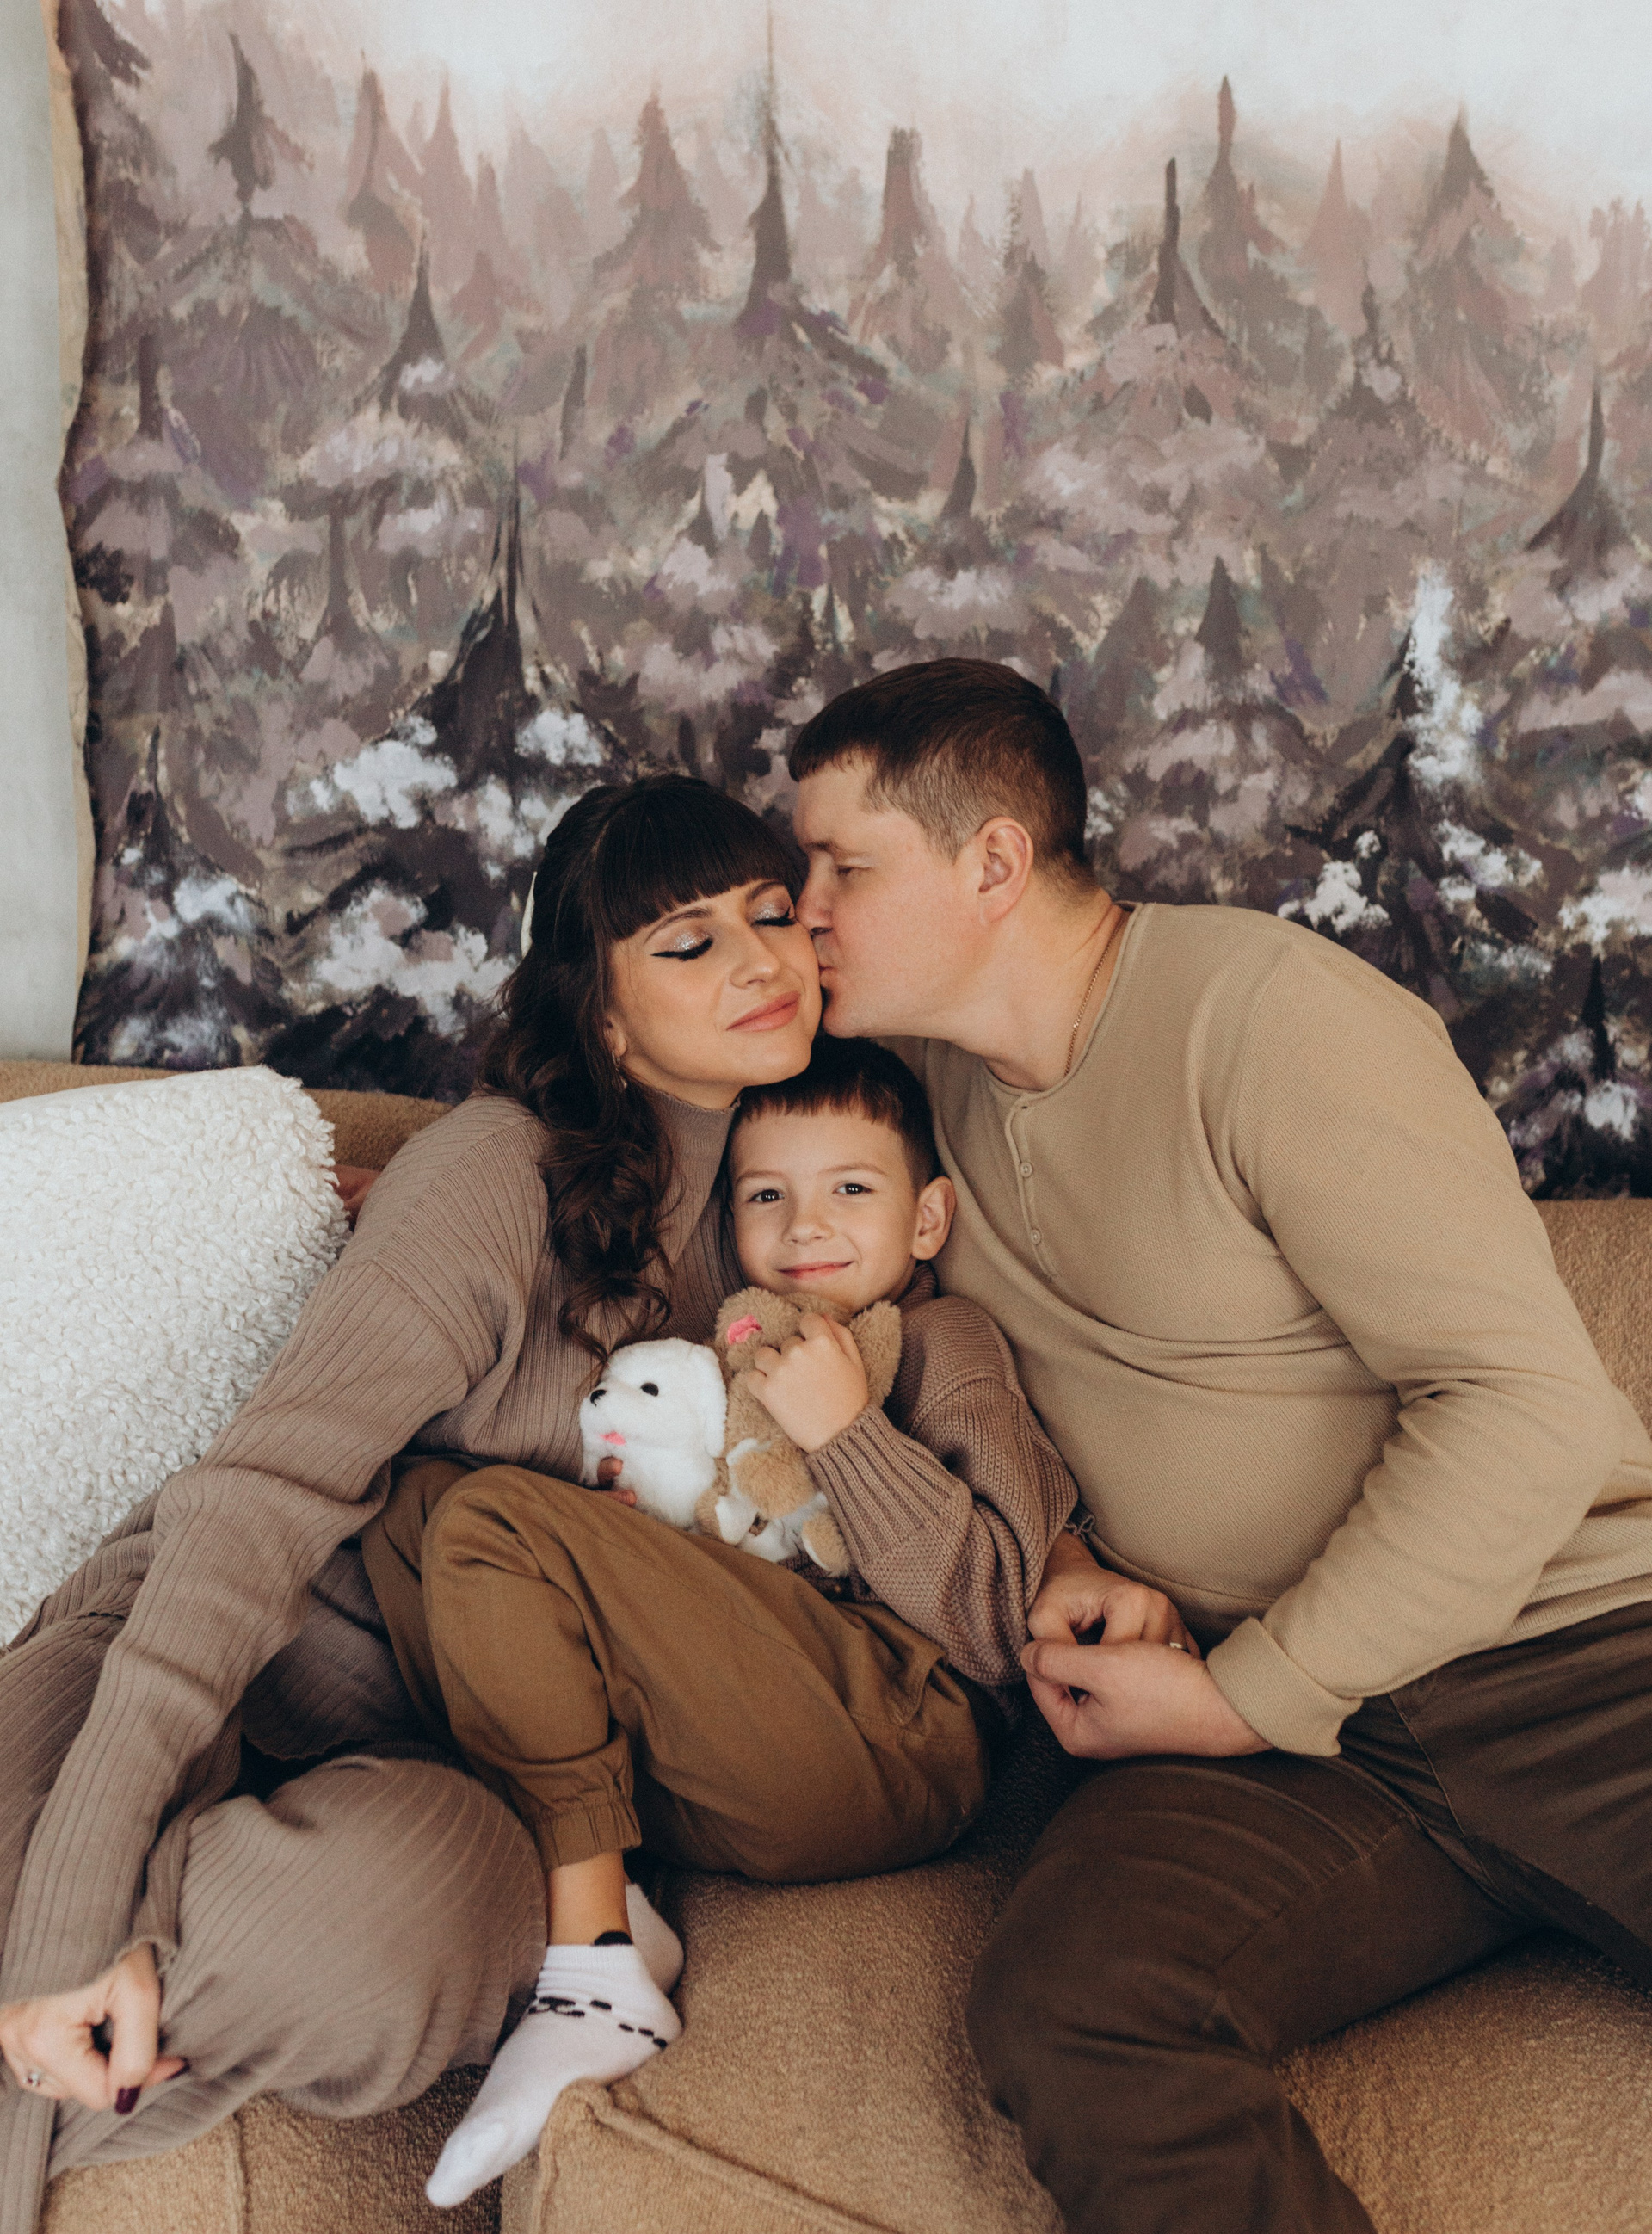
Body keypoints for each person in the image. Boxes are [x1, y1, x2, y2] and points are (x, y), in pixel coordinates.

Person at [787, 656, 1652, 2234]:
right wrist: (1076, 1558)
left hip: (1568, 1657)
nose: (806, 909)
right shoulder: (918, 1103)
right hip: (1284, 1735)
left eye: (844, 866)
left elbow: (1524, 1405)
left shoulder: (1268, 1020)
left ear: (993, 861)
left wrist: (1247, 1697)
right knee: (1072, 2010)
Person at [0, 777, 815, 2231]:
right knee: (31, 1892)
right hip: (197, 1647)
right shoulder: (495, 1173)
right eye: (691, 943)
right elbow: (258, 1503)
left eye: (775, 915)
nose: (762, 961)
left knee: (393, 1932)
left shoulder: (814, 1222)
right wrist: (77, 1908)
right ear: (604, 1020)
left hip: (456, 1784)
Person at [369, 1034, 1081, 2206]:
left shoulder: (945, 1345)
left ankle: (594, 1973)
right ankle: (610, 1884)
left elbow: (1004, 1622)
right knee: (418, 1507)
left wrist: (848, 1434)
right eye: (766, 1196)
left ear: (927, 1220)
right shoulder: (732, 1338)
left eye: (850, 1190)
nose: (806, 1228)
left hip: (893, 1737)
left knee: (494, 1525)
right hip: (733, 1735)